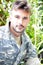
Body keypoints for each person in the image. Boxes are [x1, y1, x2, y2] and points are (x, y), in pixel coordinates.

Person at [0, 0, 40, 65]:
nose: (20, 22)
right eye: (17, 17)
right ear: (10, 17)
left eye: (25, 18)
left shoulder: (26, 40)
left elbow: (33, 59)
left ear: (29, 20)